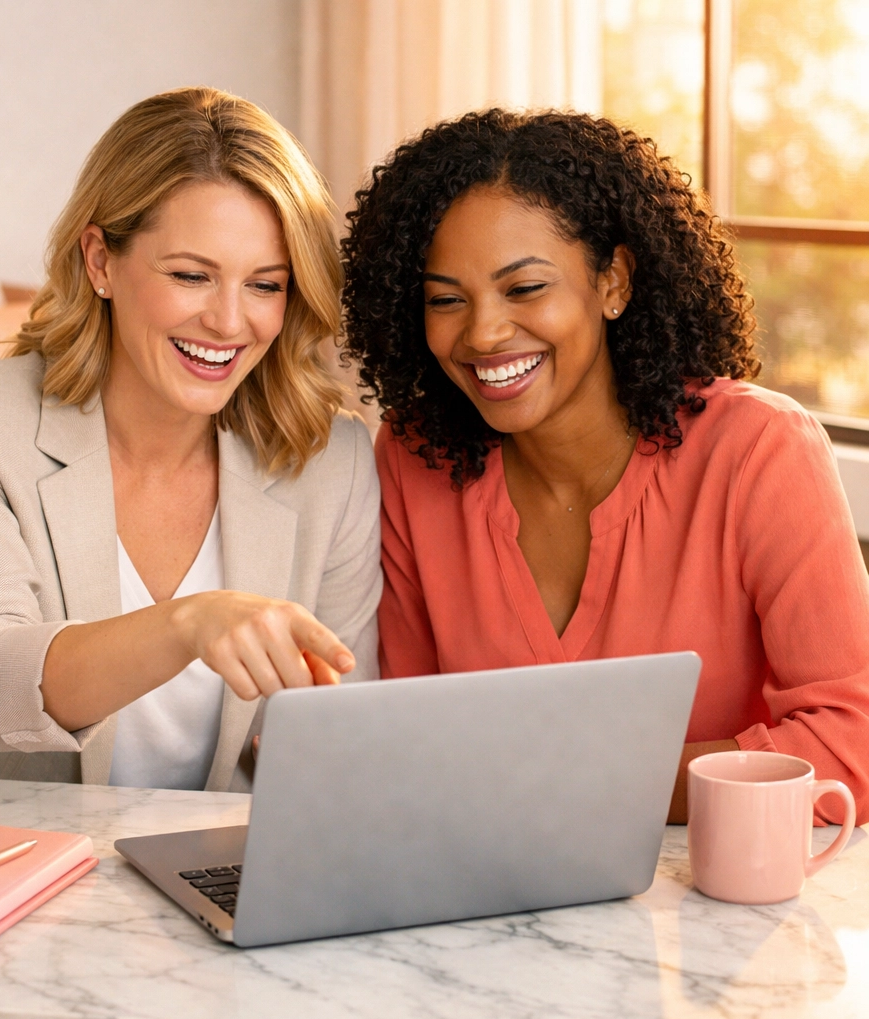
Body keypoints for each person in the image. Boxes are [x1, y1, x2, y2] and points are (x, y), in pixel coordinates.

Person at [341, 108, 869, 824]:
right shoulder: (415, 460)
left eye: (525, 289)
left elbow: (851, 743)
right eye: (445, 300)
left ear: (614, 282)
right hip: (480, 899)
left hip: (709, 906)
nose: (484, 333)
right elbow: (407, 736)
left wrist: (581, 782)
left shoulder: (758, 449)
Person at [0, 87, 381, 791]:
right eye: (190, 275)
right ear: (100, 262)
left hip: (209, 869)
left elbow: (337, 734)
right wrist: (189, 623)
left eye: (265, 285)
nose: (228, 321)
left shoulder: (331, 462)